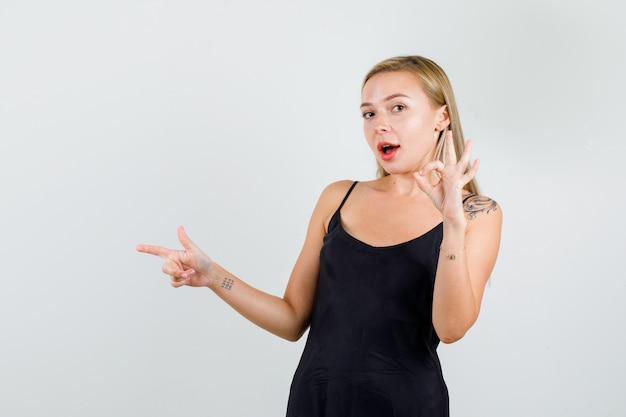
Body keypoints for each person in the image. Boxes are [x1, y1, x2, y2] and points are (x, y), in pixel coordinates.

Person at [137, 55, 502, 416]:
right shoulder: (338, 198)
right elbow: (293, 318)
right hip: (317, 402)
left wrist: (452, 224)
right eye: (369, 113)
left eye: (398, 108)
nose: (379, 125)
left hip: (406, 405)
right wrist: (213, 276)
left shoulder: (477, 214)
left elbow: (451, 329)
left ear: (442, 117)